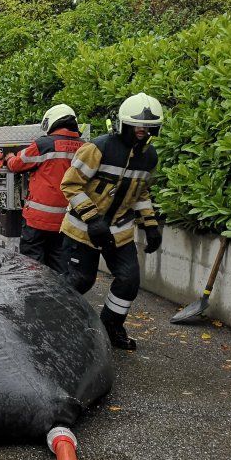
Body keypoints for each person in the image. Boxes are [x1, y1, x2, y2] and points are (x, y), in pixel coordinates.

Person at [61, 92, 164, 350]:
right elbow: (71, 184)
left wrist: (151, 225)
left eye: (148, 127)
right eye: (137, 126)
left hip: (120, 231)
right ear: (123, 124)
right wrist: (93, 218)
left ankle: (110, 326)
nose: (142, 132)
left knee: (129, 280)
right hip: (82, 229)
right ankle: (53, 322)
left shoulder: (149, 158)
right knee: (80, 280)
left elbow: (139, 194)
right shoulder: (98, 148)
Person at [5, 104, 85, 273]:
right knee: (60, 269)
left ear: (52, 122)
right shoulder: (85, 147)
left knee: (32, 269)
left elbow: (17, 165)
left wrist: (10, 157)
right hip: (67, 222)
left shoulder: (44, 144)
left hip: (38, 221)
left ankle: (35, 299)